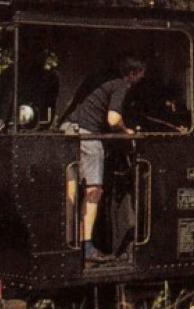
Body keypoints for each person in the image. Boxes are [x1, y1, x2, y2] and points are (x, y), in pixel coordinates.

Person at [61, 56, 146, 263]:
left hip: (67, 130)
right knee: (94, 191)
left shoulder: (97, 78)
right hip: (88, 135)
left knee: (72, 191)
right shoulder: (120, 84)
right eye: (139, 77)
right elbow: (113, 119)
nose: (138, 82)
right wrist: (129, 134)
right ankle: (87, 247)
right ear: (132, 74)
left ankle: (70, 243)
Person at [0, 43, 59, 131]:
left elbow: (51, 105)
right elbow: (0, 101)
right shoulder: (8, 74)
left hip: (37, 126)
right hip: (10, 126)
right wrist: (0, 120)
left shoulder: (49, 77)